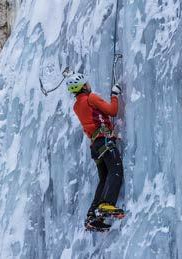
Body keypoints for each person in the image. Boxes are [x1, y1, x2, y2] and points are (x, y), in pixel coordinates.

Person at [66, 73, 124, 230]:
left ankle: (92, 216)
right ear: (84, 86)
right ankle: (107, 204)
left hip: (95, 146)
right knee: (115, 170)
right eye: (87, 83)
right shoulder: (91, 98)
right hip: (104, 140)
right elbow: (112, 111)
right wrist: (114, 95)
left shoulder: (76, 106)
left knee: (104, 179)